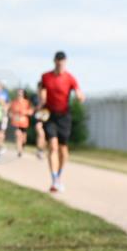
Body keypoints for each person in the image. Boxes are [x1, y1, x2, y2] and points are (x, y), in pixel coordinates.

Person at [39, 52, 85, 192]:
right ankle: (54, 181)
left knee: (63, 151)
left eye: (62, 61)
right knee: (53, 146)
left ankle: (59, 176)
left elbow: (79, 92)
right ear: (54, 61)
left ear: (65, 62)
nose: (60, 63)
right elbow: (42, 91)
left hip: (64, 116)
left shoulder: (70, 78)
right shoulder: (46, 77)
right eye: (58, 61)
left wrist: (79, 97)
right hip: (49, 115)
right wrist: (42, 100)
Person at [9, 88, 34, 157]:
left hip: (24, 123)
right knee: (18, 135)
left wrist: (25, 112)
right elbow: (10, 111)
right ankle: (19, 151)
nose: (19, 94)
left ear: (23, 94)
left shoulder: (27, 102)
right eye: (18, 92)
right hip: (15, 122)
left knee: (24, 139)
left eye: (21, 92)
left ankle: (22, 146)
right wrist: (11, 115)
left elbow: (31, 112)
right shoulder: (14, 102)